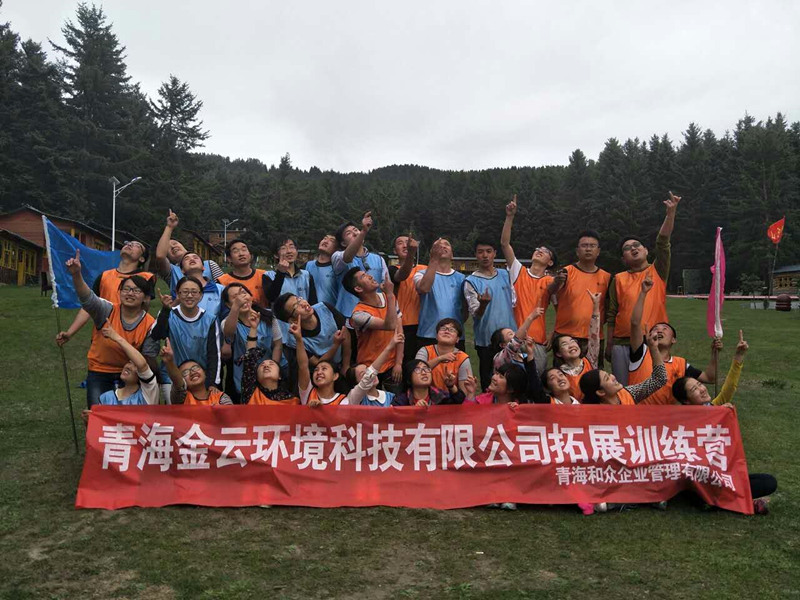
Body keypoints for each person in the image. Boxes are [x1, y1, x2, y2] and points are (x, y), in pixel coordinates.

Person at [672, 331, 776, 515]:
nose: (702, 389)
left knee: (768, 482)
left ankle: (719, 500)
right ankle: (734, 501)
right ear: (686, 401)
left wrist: (738, 357)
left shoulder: (714, 409)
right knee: (695, 489)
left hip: (721, 478)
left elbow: (728, 389)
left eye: (699, 384)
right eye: (694, 389)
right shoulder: (684, 423)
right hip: (700, 480)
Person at [64, 249, 158, 407]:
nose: (130, 293)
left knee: (126, 419)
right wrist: (76, 275)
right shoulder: (107, 309)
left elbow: (148, 358)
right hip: (99, 370)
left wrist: (116, 337)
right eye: (126, 289)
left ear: (145, 297)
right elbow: (87, 298)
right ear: (119, 293)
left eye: (136, 290)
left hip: (130, 373)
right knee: (97, 415)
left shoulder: (150, 323)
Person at [605, 191, 681, 384]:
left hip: (652, 341)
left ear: (646, 250)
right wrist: (610, 343)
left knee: (650, 388)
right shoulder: (618, 279)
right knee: (622, 390)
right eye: (627, 248)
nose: (633, 248)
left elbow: (663, 243)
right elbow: (612, 314)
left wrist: (670, 214)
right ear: (623, 259)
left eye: (637, 245)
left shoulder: (658, 270)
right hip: (622, 343)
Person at [628, 275, 721, 404]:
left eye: (665, 329)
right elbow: (635, 323)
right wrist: (643, 293)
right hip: (639, 415)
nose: (659, 331)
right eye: (655, 329)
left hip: (667, 416)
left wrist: (714, 353)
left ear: (673, 340)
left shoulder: (681, 364)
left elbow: (709, 378)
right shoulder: (641, 354)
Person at [55, 240, 156, 347]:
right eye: (128, 243)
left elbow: (144, 311)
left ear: (142, 258)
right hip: (102, 337)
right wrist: (70, 332)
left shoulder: (145, 278)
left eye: (137, 245)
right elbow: (88, 307)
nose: (129, 244)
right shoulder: (104, 276)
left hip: (129, 339)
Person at [501, 194, 561, 374]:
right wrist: (510, 217)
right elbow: (505, 244)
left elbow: (560, 310)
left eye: (545, 251)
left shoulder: (550, 281)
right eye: (538, 249)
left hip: (537, 341)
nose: (539, 251)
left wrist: (553, 332)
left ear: (550, 262)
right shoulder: (518, 271)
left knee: (535, 383)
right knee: (511, 383)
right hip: (514, 338)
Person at [551, 230, 611, 367]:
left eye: (592, 246)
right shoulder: (566, 272)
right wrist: (555, 283)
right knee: (563, 375)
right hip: (566, 336)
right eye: (584, 245)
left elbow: (609, 307)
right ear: (577, 251)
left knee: (593, 376)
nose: (588, 249)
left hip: (594, 337)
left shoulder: (606, 277)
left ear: (598, 251)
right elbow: (551, 294)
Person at [150, 276, 222, 389]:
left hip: (200, 377)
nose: (189, 295)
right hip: (171, 377)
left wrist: (212, 383)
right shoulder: (169, 313)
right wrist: (165, 310)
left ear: (201, 295)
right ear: (177, 294)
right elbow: (156, 335)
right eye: (185, 292)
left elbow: (214, 354)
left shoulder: (210, 320)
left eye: (194, 292)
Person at [464, 238, 516, 390]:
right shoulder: (470, 281)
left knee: (514, 380)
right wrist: (483, 305)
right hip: (486, 341)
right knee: (490, 384)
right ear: (475, 255)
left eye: (488, 251)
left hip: (511, 339)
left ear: (495, 253)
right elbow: (475, 314)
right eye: (480, 252)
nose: (485, 255)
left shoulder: (507, 275)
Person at [294, 317, 375, 407]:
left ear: (335, 376)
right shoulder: (308, 393)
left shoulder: (345, 400)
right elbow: (303, 366)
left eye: (324, 369)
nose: (319, 372)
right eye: (316, 370)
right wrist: (298, 339)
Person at [220, 283, 282, 397]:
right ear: (228, 305)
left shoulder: (268, 316)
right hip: (244, 376)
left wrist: (274, 368)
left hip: (270, 371)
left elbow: (278, 345)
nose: (241, 299)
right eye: (235, 297)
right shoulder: (228, 322)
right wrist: (236, 307)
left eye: (244, 293)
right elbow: (228, 333)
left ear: (251, 296)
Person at [580, 327, 667, 405]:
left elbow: (659, 380)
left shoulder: (628, 393)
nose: (613, 377)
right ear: (601, 392)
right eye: (607, 379)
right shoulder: (593, 414)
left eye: (609, 375)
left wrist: (653, 348)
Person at [344, 267, 402, 386]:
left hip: (391, 365)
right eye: (363, 276)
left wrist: (398, 363)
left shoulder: (387, 297)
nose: (370, 276)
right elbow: (390, 325)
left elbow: (400, 333)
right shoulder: (358, 314)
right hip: (369, 367)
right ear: (358, 288)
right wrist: (390, 294)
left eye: (366, 273)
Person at [331, 211, 389, 326]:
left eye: (355, 230)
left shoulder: (378, 259)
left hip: (375, 316)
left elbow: (386, 285)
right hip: (347, 318)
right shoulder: (337, 257)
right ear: (343, 243)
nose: (354, 233)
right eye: (348, 233)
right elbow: (347, 257)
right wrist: (363, 231)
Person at [154, 209, 223, 293]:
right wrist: (169, 227)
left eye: (175, 243)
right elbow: (160, 256)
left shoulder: (210, 265)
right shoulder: (171, 272)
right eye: (168, 247)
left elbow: (225, 289)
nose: (173, 246)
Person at [238, 310, 299, 405]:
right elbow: (250, 357)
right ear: (255, 376)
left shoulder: (292, 401)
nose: (266, 366)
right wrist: (253, 328)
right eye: (262, 365)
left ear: (280, 375)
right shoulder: (250, 392)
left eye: (271, 364)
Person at [414, 238, 466, 348]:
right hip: (427, 335)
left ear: (452, 255)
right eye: (438, 245)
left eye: (446, 244)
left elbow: (465, 310)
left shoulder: (462, 279)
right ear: (431, 254)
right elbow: (424, 288)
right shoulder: (420, 274)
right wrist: (434, 259)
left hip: (455, 336)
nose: (442, 246)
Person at [551, 290, 602, 401]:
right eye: (564, 344)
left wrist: (595, 307)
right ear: (558, 353)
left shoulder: (590, 361)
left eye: (572, 341)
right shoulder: (559, 374)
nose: (571, 345)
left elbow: (594, 337)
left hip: (594, 408)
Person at [95, 324, 160, 406]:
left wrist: (116, 337)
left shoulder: (149, 393)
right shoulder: (107, 397)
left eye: (135, 366)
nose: (128, 367)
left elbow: (142, 365)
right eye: (129, 362)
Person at [161, 339, 233, 405]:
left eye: (195, 368)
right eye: (185, 372)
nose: (192, 372)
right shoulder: (181, 398)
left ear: (205, 373)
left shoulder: (220, 397)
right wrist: (169, 362)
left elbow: (230, 414)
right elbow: (178, 383)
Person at [390, 232, 425, 363]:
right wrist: (411, 253)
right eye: (400, 243)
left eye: (408, 242)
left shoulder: (424, 269)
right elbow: (402, 275)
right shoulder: (392, 269)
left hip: (425, 326)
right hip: (403, 325)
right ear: (395, 251)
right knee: (404, 364)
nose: (405, 245)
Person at [415, 318, 473, 394]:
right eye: (443, 329)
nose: (447, 331)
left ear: (457, 339)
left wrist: (451, 386)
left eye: (452, 330)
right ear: (436, 336)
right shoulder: (425, 351)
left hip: (452, 398)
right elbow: (416, 373)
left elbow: (465, 392)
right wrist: (440, 358)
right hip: (426, 397)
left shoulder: (463, 358)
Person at [352, 332, 406, 406]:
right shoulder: (355, 399)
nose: (371, 375)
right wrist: (389, 347)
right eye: (364, 374)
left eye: (368, 369)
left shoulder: (392, 397)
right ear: (356, 384)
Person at [216, 239, 267, 307]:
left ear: (250, 255)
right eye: (235, 251)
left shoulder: (264, 275)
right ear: (229, 259)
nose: (241, 254)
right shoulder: (222, 281)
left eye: (244, 250)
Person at [392, 360, 467, 406]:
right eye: (418, 370)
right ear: (409, 378)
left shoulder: (440, 396)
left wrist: (451, 386)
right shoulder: (401, 400)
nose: (424, 372)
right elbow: (396, 418)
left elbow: (459, 401)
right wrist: (413, 411)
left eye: (426, 369)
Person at [176, 252, 225, 317]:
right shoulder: (179, 291)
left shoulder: (219, 289)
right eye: (186, 259)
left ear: (203, 267)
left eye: (195, 257)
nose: (192, 259)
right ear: (182, 270)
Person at [305, 234, 340, 306]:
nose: (326, 241)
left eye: (331, 241)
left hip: (330, 311)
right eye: (325, 238)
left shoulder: (338, 269)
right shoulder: (307, 266)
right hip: (309, 310)